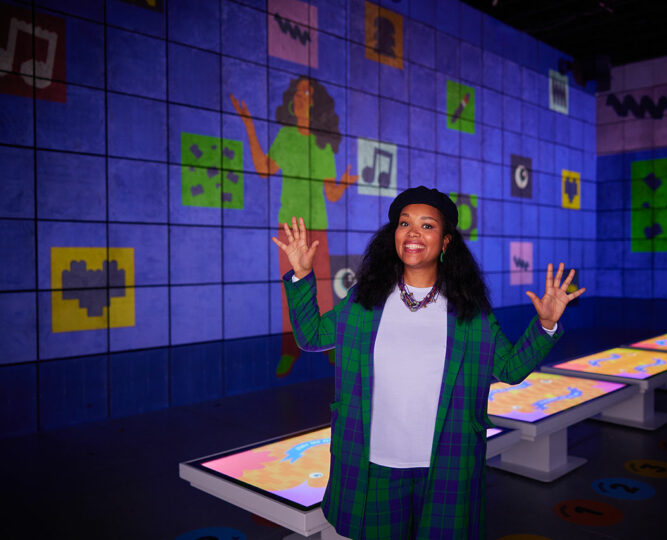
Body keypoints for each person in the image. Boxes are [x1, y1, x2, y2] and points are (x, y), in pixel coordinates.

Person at [273, 186, 585, 539]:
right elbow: (312, 337)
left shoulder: (470, 312)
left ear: (447, 241)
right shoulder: (365, 300)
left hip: (447, 464)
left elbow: (510, 369)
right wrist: (301, 275)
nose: (413, 233)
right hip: (374, 465)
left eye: (427, 225)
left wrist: (545, 325)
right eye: (405, 223)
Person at [231, 76, 358, 377]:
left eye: (308, 92)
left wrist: (343, 185)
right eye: (299, 91)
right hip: (290, 227)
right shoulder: (286, 137)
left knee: (324, 288)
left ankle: (328, 346)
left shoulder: (323, 142)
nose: (302, 96)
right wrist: (249, 124)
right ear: (293, 99)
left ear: (314, 103)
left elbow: (331, 194)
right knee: (294, 289)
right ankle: (290, 350)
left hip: (318, 226)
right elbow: (264, 169)